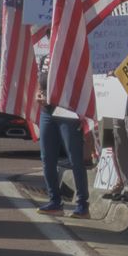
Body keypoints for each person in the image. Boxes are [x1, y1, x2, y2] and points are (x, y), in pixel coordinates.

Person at [34, 54, 89, 218]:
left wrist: (82, 114)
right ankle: (54, 201)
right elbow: (41, 82)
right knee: (47, 158)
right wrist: (39, 94)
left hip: (67, 110)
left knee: (75, 158)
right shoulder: (45, 59)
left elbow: (80, 84)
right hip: (47, 111)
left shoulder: (70, 53)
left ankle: (82, 205)